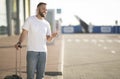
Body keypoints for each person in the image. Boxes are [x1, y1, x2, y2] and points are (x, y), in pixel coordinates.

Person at [15, 2, 57, 79]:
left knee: (41, 76)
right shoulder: (30, 20)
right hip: (32, 51)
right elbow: (24, 32)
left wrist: (52, 37)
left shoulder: (47, 24)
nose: (45, 11)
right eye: (43, 9)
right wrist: (19, 42)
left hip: (43, 52)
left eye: (46, 9)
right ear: (38, 9)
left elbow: (48, 39)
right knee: (30, 75)